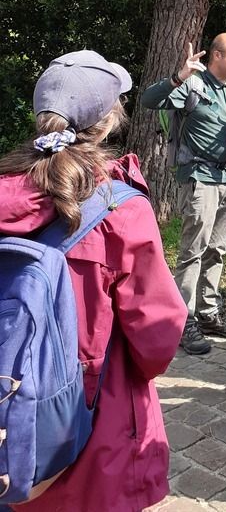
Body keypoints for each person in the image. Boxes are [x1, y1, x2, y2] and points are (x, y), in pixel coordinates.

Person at [0, 50, 187, 512]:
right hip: (94, 414)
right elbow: (157, 333)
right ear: (106, 125)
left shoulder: (6, 188)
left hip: (10, 409)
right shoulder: (119, 209)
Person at [141, 34, 226, 355]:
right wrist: (179, 76)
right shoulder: (192, 85)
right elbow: (149, 101)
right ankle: (183, 319)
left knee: (218, 249)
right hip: (199, 178)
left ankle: (208, 312)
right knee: (193, 250)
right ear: (217, 56)